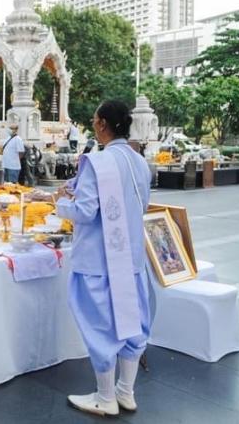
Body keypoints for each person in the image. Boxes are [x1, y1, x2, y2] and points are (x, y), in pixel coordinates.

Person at [53, 100, 152, 417]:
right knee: (131, 323)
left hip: (98, 261)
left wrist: (59, 204)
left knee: (100, 326)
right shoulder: (139, 161)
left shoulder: (97, 162)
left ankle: (105, 396)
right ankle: (126, 392)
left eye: (94, 119)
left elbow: (85, 211)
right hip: (132, 259)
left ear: (102, 124)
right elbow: (141, 204)